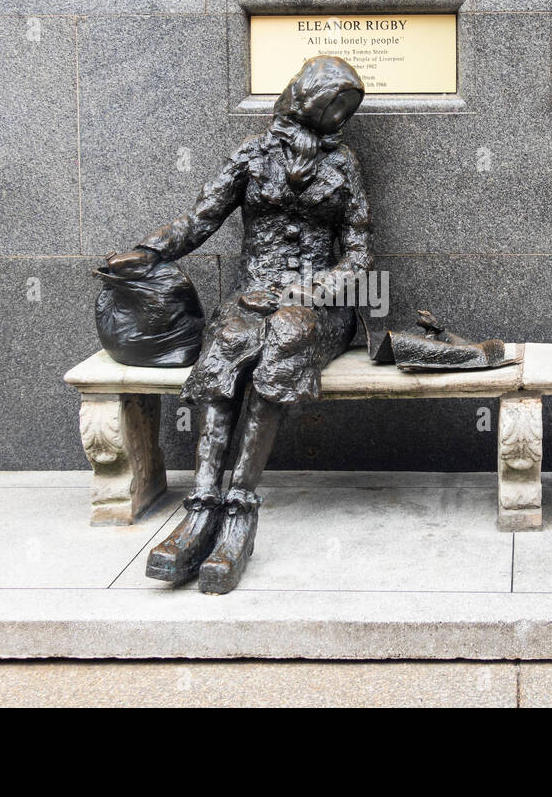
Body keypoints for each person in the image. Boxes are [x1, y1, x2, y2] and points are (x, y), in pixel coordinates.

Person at [104, 55, 371, 594]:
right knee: (229, 340)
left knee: (289, 335)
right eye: (333, 102)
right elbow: (199, 219)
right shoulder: (252, 156)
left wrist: (318, 287)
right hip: (253, 294)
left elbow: (361, 252)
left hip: (318, 304)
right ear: (304, 97)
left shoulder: (345, 166)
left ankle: (241, 511)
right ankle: (201, 507)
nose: (339, 115)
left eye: (347, 107)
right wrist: (146, 251)